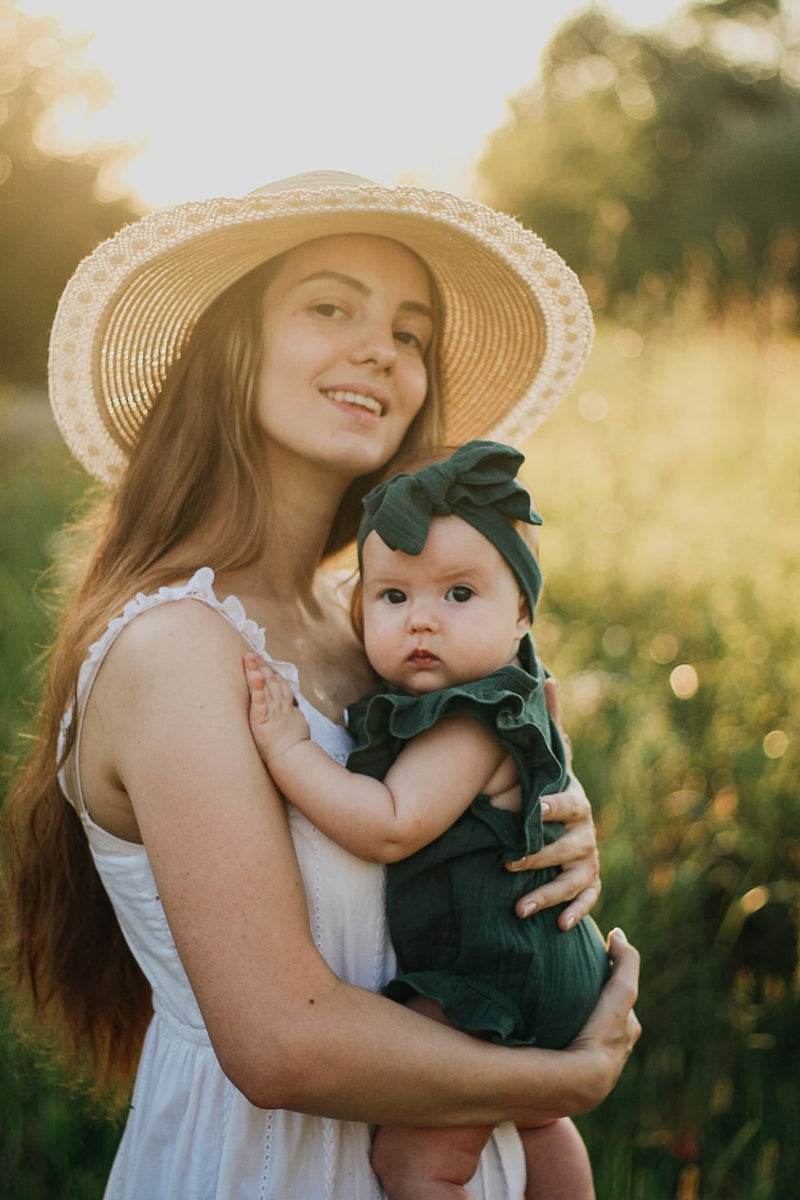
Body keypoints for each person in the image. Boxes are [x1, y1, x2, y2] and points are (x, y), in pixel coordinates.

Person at [2, 170, 640, 1200]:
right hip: (271, 1168)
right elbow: (278, 1043)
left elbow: (458, 832)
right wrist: (561, 1075)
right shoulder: (178, 648)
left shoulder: (380, 627)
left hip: (462, 1158)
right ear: (232, 343)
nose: (380, 350)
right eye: (330, 306)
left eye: (410, 331)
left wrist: (543, 837)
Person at [245, 439, 610, 1200]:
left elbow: (389, 823)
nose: (422, 622)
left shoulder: (470, 719)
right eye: (394, 597)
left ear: (521, 613)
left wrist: (287, 751)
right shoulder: (496, 695)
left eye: (458, 595)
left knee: (414, 1161)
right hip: (535, 958)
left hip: (493, 971)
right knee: (538, 1122)